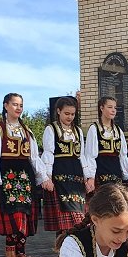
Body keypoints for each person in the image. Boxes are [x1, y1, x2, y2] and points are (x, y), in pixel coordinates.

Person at [0, 93, 51, 257]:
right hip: (7, 174)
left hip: (25, 175)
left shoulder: (27, 131)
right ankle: (10, 245)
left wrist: (43, 177)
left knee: (24, 213)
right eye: (14, 104)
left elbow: (34, 157)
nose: (18, 108)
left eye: (20, 105)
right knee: (12, 212)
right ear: (6, 106)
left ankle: (21, 250)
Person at [42, 96, 91, 238]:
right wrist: (47, 177)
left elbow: (82, 155)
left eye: (73, 114)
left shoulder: (78, 131)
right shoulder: (51, 129)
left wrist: (88, 178)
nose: (70, 117)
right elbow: (48, 154)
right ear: (58, 111)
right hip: (60, 177)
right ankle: (62, 246)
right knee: (64, 221)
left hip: (77, 179)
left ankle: (73, 245)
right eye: (67, 113)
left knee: (79, 218)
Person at [83, 96, 128, 190]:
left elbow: (123, 156)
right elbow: (90, 155)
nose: (113, 110)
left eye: (115, 108)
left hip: (116, 174)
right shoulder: (94, 129)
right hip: (101, 174)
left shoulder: (118, 130)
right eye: (110, 107)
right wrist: (91, 177)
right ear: (101, 108)